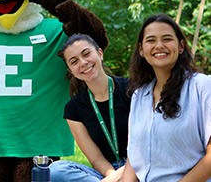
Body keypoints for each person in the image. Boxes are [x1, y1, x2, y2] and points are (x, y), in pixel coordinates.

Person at [122, 13, 211, 181]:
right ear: (142, 49)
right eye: (151, 40)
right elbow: (133, 159)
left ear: (181, 46)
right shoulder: (139, 96)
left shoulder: (202, 86)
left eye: (167, 39)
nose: (159, 45)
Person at [49, 34, 130, 182]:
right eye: (74, 61)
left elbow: (147, 146)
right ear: (71, 70)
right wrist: (113, 177)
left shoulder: (132, 90)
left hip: (141, 166)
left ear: (100, 53)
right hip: (106, 172)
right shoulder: (73, 109)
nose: (83, 62)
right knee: (54, 171)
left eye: (86, 54)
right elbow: (96, 158)